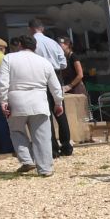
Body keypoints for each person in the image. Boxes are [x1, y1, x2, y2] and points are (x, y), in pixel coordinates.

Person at [0, 34, 63, 175]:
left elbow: (3, 82)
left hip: (16, 101)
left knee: (17, 131)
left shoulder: (9, 58)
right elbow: (55, 86)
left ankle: (27, 160)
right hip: (39, 101)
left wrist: (3, 101)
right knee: (42, 136)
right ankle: (45, 168)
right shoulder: (44, 62)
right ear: (35, 47)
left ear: (19, 44)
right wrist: (58, 102)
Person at [30, 18, 76, 158]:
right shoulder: (54, 44)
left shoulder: (32, 43)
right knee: (60, 111)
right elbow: (63, 64)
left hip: (40, 76)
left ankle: (53, 148)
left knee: (46, 113)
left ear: (30, 29)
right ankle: (66, 146)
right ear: (42, 28)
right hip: (56, 74)